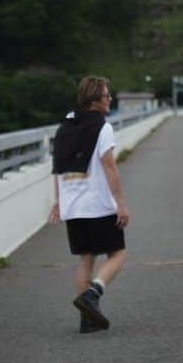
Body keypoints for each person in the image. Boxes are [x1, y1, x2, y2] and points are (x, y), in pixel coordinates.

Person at [48, 76, 130, 333]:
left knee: (86, 259)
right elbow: (109, 167)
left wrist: (58, 202)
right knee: (117, 254)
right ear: (95, 100)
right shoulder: (101, 127)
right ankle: (93, 294)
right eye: (107, 95)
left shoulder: (65, 126)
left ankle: (88, 320)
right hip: (97, 204)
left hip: (73, 206)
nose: (110, 99)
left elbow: (57, 170)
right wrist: (121, 203)